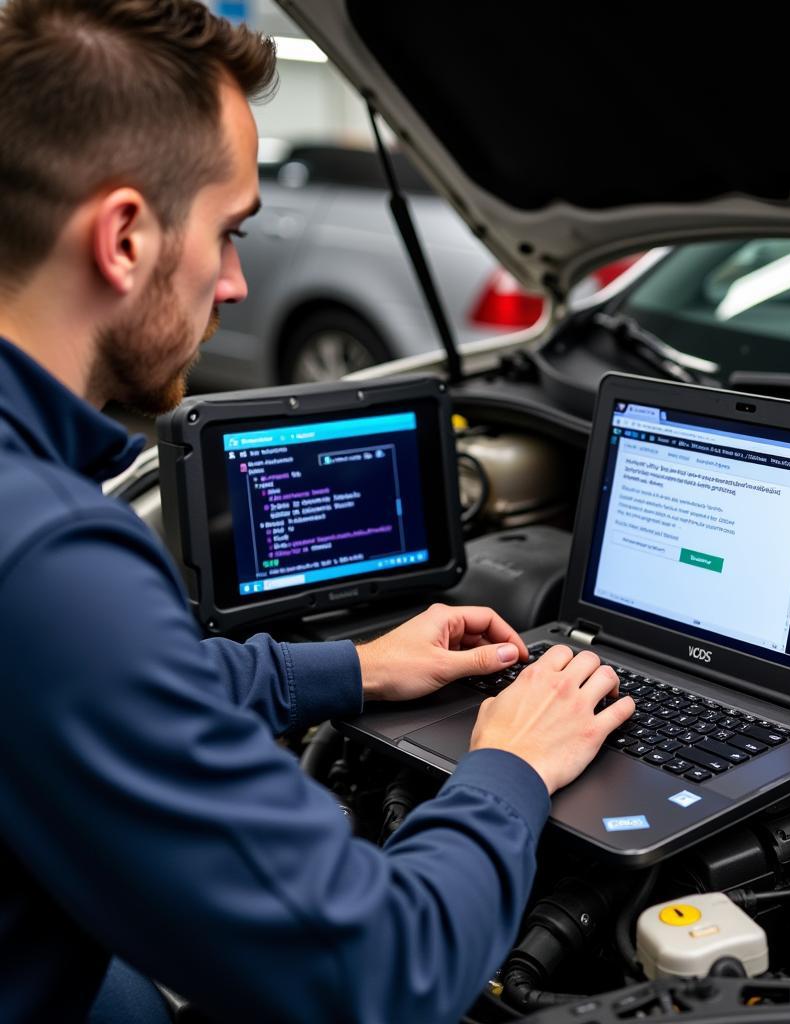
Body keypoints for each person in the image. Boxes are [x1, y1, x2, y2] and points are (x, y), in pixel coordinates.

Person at [0, 2, 636, 1022]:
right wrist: (508, 766)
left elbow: (91, 681)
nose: (239, 283)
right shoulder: (48, 559)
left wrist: (357, 667)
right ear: (123, 236)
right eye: (230, 232)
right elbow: (380, 973)